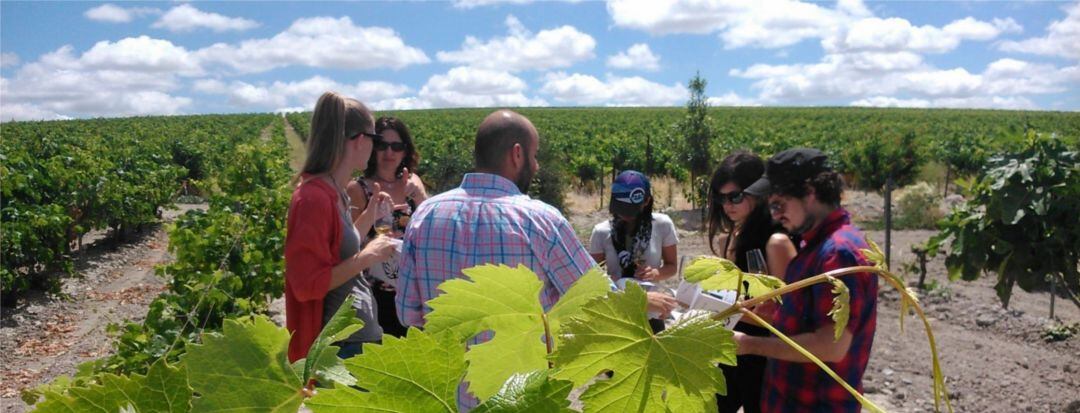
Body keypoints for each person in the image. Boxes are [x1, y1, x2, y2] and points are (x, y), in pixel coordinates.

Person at [396, 109, 677, 409]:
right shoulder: (539, 220)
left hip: (447, 399)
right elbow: (594, 297)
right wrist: (641, 301)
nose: (537, 164)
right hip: (521, 400)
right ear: (517, 154)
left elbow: (408, 315)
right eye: (534, 155)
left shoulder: (424, 215)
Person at [733, 148, 878, 413]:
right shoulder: (812, 245)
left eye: (779, 204)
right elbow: (811, 321)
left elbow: (831, 345)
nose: (775, 215)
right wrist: (776, 315)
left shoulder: (840, 253)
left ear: (810, 193)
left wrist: (750, 344)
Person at [283, 91, 398, 363]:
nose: (377, 149)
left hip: (354, 341)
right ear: (360, 140)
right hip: (340, 348)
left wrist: (370, 215)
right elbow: (307, 285)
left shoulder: (334, 191)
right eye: (376, 140)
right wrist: (368, 257)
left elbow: (338, 252)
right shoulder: (313, 198)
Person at [707, 151, 796, 413]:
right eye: (720, 198)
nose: (727, 205)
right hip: (732, 348)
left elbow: (787, 314)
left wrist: (722, 309)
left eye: (735, 196)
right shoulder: (729, 238)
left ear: (758, 193)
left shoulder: (776, 242)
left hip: (765, 356)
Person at [347, 116, 428, 338]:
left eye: (397, 146)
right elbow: (349, 242)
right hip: (376, 292)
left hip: (413, 288)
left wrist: (420, 196)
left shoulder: (413, 184)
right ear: (373, 147)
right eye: (382, 145)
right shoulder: (358, 189)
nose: (389, 153)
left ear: (405, 151)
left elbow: (432, 228)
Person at [589, 170, 678, 332]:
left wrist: (656, 273)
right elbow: (589, 278)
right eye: (620, 209)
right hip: (617, 312)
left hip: (651, 314)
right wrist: (609, 279)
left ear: (646, 201)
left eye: (630, 210)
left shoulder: (663, 225)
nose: (624, 215)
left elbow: (672, 267)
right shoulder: (601, 232)